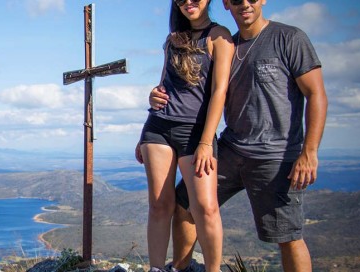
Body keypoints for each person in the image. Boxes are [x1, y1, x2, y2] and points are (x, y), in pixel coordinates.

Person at [148, 0, 328, 271]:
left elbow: (316, 94)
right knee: (185, 204)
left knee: (288, 236)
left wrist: (310, 152)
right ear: (226, 4)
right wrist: (156, 95)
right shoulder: (226, 44)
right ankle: (181, 268)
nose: (244, 4)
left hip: (274, 156)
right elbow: (191, 89)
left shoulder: (288, 38)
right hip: (232, 148)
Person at [134, 0, 234, 271]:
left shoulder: (219, 36)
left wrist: (205, 141)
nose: (188, 2)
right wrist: (145, 128)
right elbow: (163, 84)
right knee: (159, 205)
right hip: (158, 128)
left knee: (206, 208)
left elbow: (219, 93)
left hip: (195, 132)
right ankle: (156, 268)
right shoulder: (172, 39)